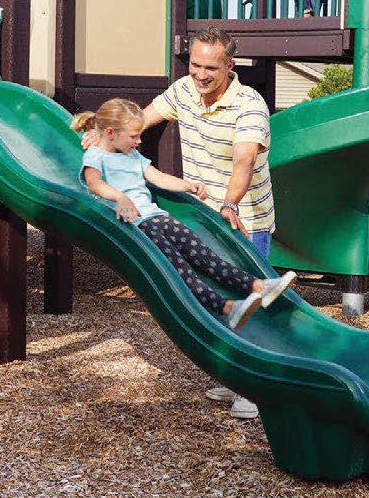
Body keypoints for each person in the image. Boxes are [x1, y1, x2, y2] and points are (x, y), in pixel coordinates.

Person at [81, 27, 277, 419]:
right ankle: (234, 377)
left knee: (253, 307)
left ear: (229, 66)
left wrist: (230, 204)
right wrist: (99, 136)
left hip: (243, 217)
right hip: (203, 217)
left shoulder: (249, 105)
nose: (201, 75)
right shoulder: (183, 90)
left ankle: (256, 390)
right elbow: (139, 120)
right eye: (195, 65)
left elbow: (244, 160)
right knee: (218, 294)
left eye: (210, 68)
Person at [71, 98, 297, 331]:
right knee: (180, 269)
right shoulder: (95, 156)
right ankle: (228, 308)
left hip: (156, 218)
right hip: (134, 226)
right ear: (110, 133)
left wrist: (187, 185)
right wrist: (119, 197)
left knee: (204, 256)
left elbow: (158, 177)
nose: (139, 141)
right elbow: (94, 183)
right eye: (133, 136)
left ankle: (258, 286)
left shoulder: (133, 156)